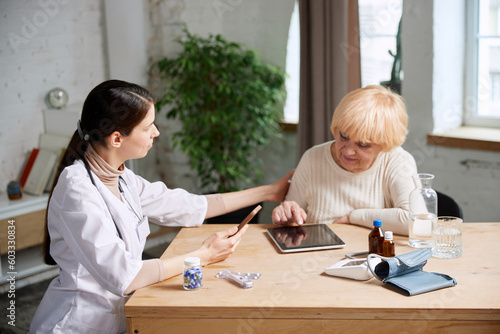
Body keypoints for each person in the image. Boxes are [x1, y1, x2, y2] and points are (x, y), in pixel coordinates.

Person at [30, 80, 293, 333]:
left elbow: (190, 206)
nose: (155, 132)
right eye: (148, 127)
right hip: (78, 324)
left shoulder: (123, 178)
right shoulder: (78, 190)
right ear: (117, 139)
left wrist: (269, 191)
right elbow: (125, 277)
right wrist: (203, 256)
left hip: (120, 316)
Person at [272, 85, 417, 236]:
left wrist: (354, 217)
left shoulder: (398, 161)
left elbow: (415, 221)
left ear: (384, 146)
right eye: (344, 136)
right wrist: (286, 214)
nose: (347, 151)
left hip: (373, 256)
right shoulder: (312, 158)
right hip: (316, 256)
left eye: (362, 144)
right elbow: (291, 220)